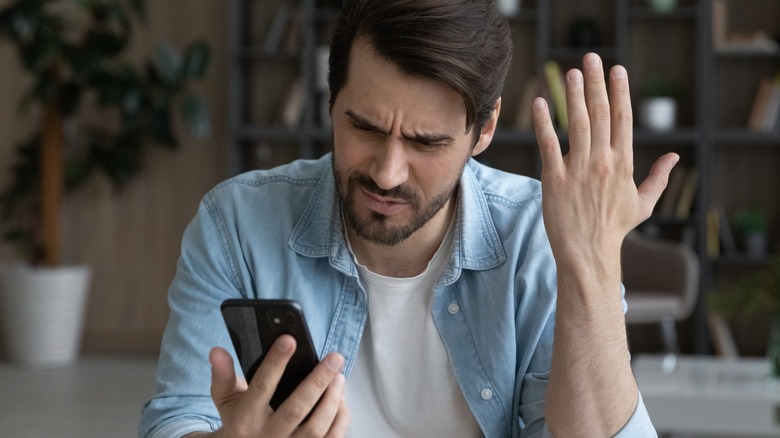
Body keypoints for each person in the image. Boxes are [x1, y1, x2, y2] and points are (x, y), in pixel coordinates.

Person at [140, 0, 678, 436]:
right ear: (331, 102)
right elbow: (176, 418)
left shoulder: (537, 237)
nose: (389, 172)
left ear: (484, 130)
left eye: (427, 142)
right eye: (366, 127)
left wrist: (592, 262)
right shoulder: (235, 221)